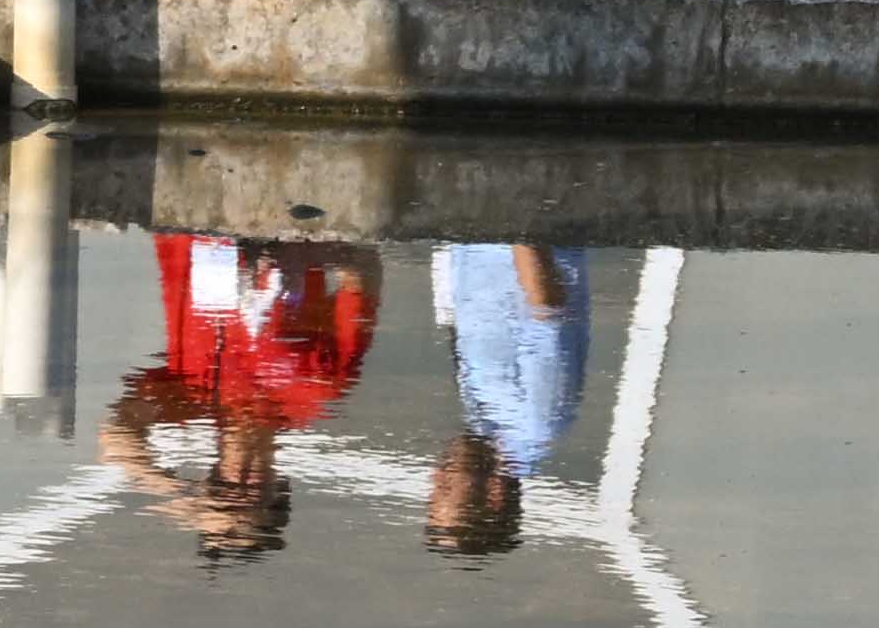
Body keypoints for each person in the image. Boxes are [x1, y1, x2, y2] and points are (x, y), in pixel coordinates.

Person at [101, 234, 375, 562]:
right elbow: (365, 268)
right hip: (288, 213)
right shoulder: (317, 390)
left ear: (211, 478)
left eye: (226, 489)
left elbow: (116, 435)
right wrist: (310, 253)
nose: (242, 478)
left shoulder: (190, 395)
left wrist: (185, 500)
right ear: (280, 488)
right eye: (255, 493)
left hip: (192, 212)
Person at [424, 240, 588, 559]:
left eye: (434, 490)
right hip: (517, 224)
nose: (436, 474)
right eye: (447, 489)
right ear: (493, 495)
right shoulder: (537, 421)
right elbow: (546, 310)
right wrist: (518, 228)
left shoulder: (483, 423)